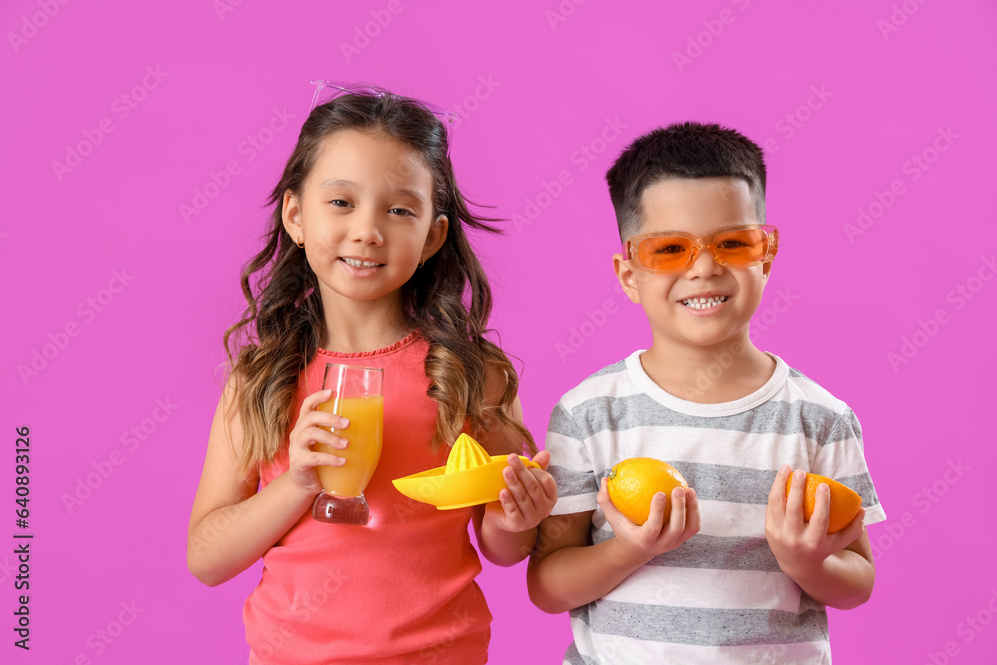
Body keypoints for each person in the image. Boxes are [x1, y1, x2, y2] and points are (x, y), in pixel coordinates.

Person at [186, 83, 557, 665]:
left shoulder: (465, 373)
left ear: (433, 235)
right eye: (341, 202)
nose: (367, 231)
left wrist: (517, 516)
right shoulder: (260, 380)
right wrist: (297, 484)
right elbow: (207, 559)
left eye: (400, 209)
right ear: (295, 215)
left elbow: (504, 549)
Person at [526, 121, 885, 664]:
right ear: (628, 274)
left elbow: (858, 581)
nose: (705, 267)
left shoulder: (822, 418)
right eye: (670, 249)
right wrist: (630, 550)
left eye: (733, 243)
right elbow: (548, 586)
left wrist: (807, 563)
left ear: (766, 254)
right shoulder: (589, 414)